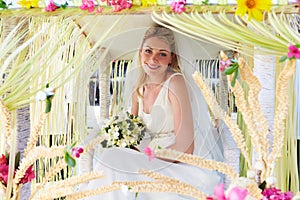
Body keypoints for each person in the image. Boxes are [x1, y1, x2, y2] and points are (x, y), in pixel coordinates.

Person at [85, 24, 224, 200]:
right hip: (147, 157)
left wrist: (147, 158)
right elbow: (134, 136)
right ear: (140, 53)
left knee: (112, 159)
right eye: (148, 51)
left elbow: (186, 147)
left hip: (178, 163)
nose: (153, 59)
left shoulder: (176, 83)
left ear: (171, 59)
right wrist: (125, 143)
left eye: (162, 54)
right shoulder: (139, 89)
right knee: (110, 158)